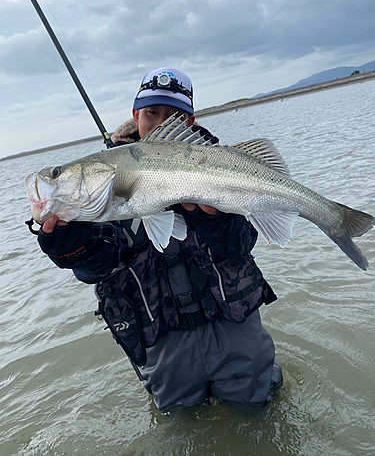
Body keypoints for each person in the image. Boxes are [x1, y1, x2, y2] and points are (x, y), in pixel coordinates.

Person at [38, 67, 283, 411]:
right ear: (136, 115)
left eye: (174, 115)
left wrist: (209, 219)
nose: (160, 122)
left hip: (234, 327)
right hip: (162, 339)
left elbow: (240, 244)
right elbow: (99, 269)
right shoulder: (102, 186)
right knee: (181, 427)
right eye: (152, 112)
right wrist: (74, 251)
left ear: (191, 121)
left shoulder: (221, 162)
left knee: (260, 412)